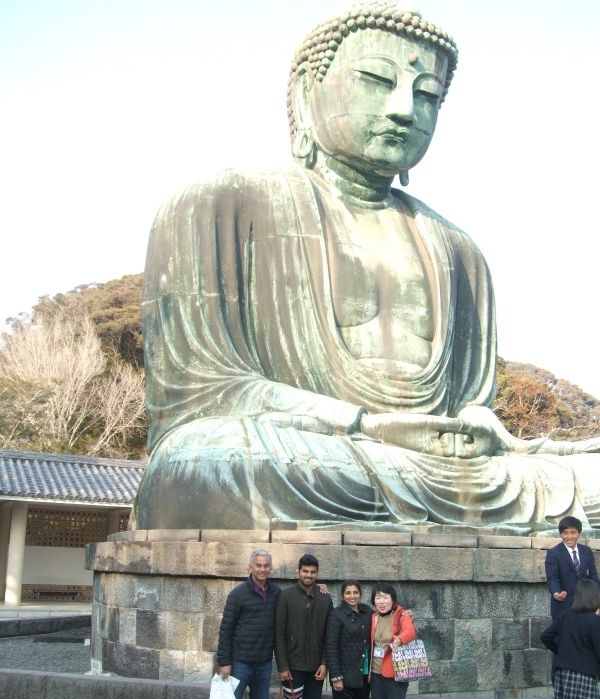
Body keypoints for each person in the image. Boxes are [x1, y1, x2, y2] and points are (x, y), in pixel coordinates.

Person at [132, 1, 600, 532]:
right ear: (307, 91)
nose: (405, 109)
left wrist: (479, 426)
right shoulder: (217, 204)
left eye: (427, 96)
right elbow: (199, 396)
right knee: (207, 462)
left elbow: (468, 402)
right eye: (378, 80)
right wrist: (365, 423)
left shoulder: (460, 251)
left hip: (439, 469)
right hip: (311, 453)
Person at [216, 549, 279, 699]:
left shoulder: (276, 593)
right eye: (258, 565)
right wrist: (224, 661)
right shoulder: (238, 594)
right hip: (240, 662)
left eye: (266, 565)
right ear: (250, 567)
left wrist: (320, 590)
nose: (262, 569)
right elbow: (226, 630)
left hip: (263, 662)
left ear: (271, 568)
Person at [274, 553, 333, 699]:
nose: (309, 575)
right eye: (305, 571)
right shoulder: (286, 596)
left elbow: (329, 634)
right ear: (298, 572)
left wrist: (325, 663)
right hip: (293, 667)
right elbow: (278, 633)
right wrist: (282, 666)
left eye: (312, 572)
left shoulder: (325, 597)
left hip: (316, 667)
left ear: (317, 574)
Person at [325, 579, 372, 699]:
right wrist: (335, 676)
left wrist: (405, 613)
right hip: (343, 674)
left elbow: (389, 613)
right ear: (343, 595)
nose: (352, 596)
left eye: (355, 592)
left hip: (364, 672)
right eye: (348, 593)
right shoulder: (337, 615)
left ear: (360, 594)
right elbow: (331, 646)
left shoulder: (368, 612)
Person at [369, 581, 416, 699]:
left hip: (395, 676)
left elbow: (410, 631)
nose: (381, 601)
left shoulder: (401, 615)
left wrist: (399, 639)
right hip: (376, 675)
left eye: (385, 597)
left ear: (392, 599)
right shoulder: (373, 617)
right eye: (378, 597)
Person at [545, 516, 599, 620]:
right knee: (564, 636)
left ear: (579, 533)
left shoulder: (586, 551)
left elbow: (594, 578)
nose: (569, 536)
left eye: (573, 532)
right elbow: (552, 578)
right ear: (561, 534)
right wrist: (556, 593)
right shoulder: (554, 553)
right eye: (565, 533)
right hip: (563, 607)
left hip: (586, 605)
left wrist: (597, 602)